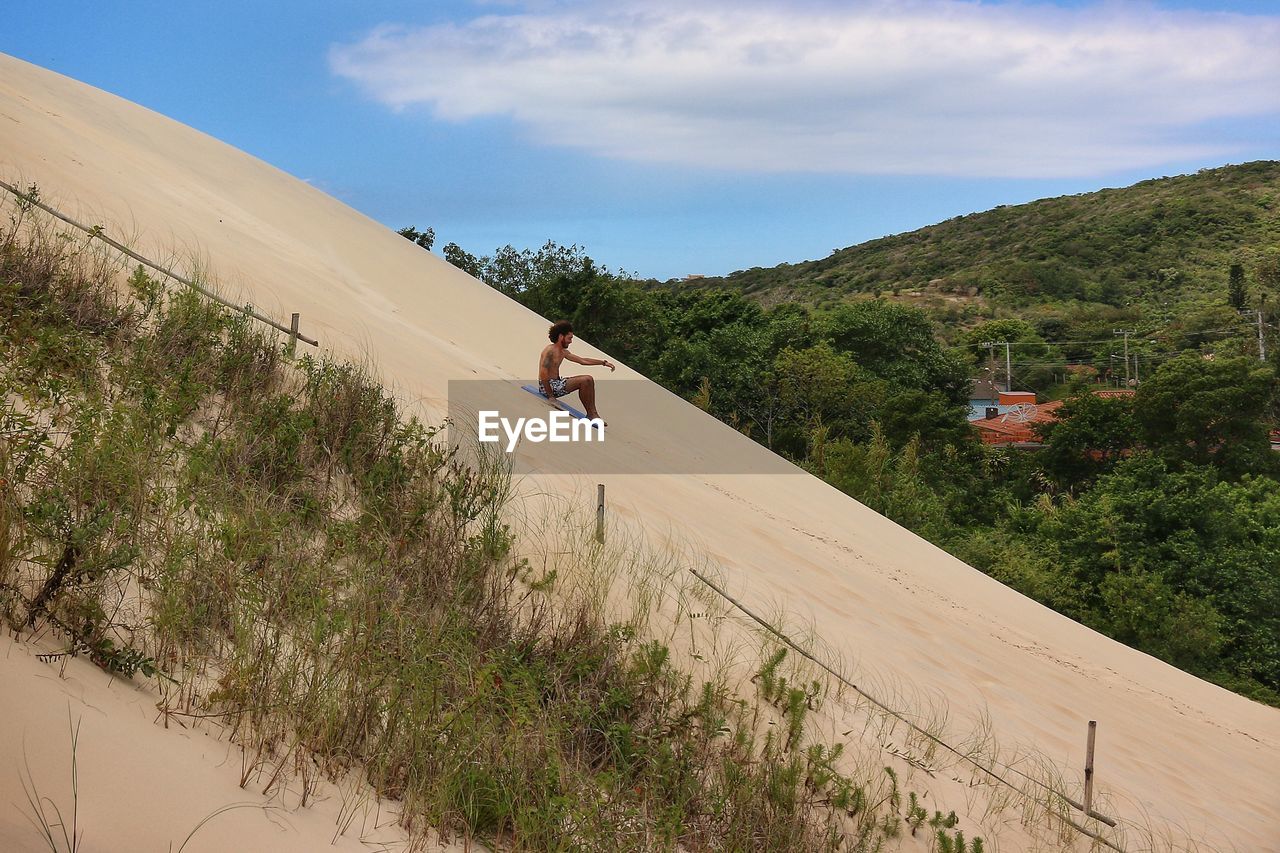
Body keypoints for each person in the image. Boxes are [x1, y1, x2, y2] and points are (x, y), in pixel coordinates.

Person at [539, 320, 614, 423]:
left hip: (556, 384)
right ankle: (592, 415)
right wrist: (551, 396)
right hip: (547, 387)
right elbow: (543, 374)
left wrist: (603, 362)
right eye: (569, 338)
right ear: (561, 337)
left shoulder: (563, 352)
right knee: (586, 379)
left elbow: (582, 360)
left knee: (588, 380)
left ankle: (593, 414)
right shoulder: (550, 351)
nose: (570, 341)